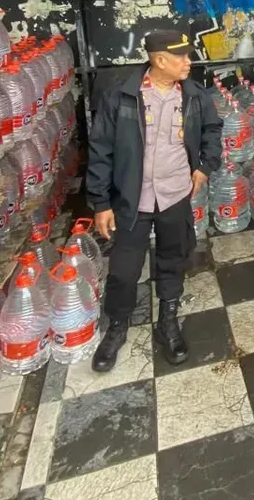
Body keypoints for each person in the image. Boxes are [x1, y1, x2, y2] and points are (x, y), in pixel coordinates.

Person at [86, 29, 222, 371]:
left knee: (173, 258)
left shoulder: (194, 95)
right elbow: (100, 149)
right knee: (123, 269)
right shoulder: (121, 96)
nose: (188, 62)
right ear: (160, 60)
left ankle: (168, 321)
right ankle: (117, 327)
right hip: (132, 199)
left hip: (175, 194)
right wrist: (101, 203)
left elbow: (212, 129)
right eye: (181, 57)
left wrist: (204, 167)